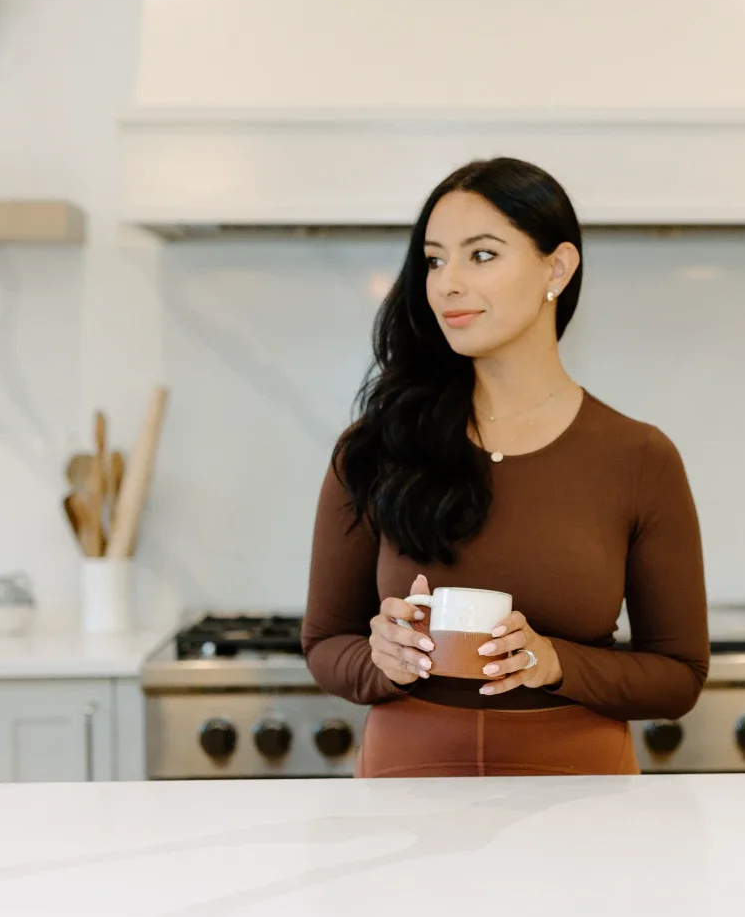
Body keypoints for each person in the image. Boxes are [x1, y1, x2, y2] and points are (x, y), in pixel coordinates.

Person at [302, 157, 708, 777]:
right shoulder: (375, 446)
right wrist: (378, 658)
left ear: (557, 267)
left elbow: (678, 677)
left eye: (481, 255)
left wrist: (554, 662)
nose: (447, 284)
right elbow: (325, 643)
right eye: (434, 260)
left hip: (580, 801)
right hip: (404, 789)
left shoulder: (639, 457)